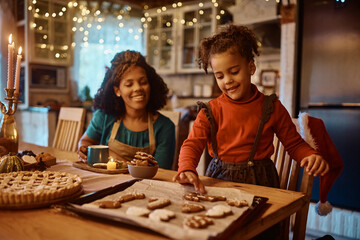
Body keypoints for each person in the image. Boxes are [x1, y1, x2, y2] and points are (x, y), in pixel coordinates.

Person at [173, 25, 329, 193]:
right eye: (220, 76)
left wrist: (310, 156)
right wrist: (187, 168)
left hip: (262, 183)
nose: (227, 80)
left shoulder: (272, 107)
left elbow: (294, 144)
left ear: (251, 67)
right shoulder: (210, 111)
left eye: (234, 71)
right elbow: (192, 145)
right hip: (220, 181)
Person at [78, 50, 175, 170]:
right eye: (129, 84)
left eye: (143, 82)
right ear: (117, 90)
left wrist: (114, 157)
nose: (138, 88)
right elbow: (86, 142)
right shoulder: (104, 116)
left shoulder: (165, 127)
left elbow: (161, 171)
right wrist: (83, 149)